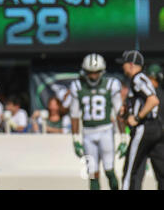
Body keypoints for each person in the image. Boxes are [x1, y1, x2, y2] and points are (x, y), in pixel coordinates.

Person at [67, 53, 125, 190]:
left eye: (96, 72)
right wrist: (75, 138)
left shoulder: (111, 84)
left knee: (109, 170)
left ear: (102, 71)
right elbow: (74, 114)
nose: (93, 76)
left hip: (105, 130)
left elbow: (119, 112)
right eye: (90, 72)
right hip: (87, 133)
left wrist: (124, 137)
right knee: (92, 173)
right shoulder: (77, 86)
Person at [117, 50, 164, 190]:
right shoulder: (143, 79)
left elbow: (153, 100)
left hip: (144, 128)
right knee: (161, 170)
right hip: (156, 128)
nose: (123, 67)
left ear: (131, 64)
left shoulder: (138, 78)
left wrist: (137, 117)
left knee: (130, 171)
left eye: (124, 64)